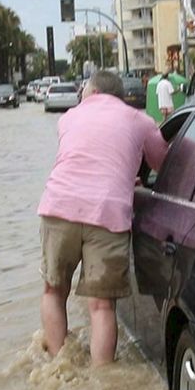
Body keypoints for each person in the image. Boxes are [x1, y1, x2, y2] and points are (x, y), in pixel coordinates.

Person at [36, 69, 167, 366]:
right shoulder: (141, 120)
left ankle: (58, 366)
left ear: (94, 93)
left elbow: (81, 156)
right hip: (108, 213)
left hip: (60, 206)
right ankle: (102, 377)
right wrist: (128, 179)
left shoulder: (68, 117)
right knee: (102, 306)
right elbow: (164, 164)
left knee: (53, 291)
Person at [149, 51, 186, 123]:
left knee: (164, 118)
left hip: (161, 104)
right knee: (171, 118)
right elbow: (172, 92)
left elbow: (157, 93)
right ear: (167, 77)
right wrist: (178, 89)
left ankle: (163, 127)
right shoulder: (168, 83)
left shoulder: (159, 84)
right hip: (168, 104)